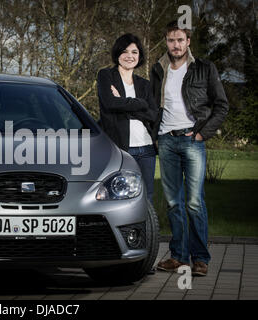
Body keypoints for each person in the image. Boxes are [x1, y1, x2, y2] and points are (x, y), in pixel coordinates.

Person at [151, 21, 229, 276]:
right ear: (166, 42)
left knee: (194, 202)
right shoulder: (158, 69)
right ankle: (178, 256)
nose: (176, 45)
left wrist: (200, 134)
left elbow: (221, 106)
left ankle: (200, 259)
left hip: (191, 140)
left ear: (188, 42)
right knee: (174, 203)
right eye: (171, 40)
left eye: (180, 40)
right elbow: (152, 106)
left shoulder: (204, 68)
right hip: (166, 140)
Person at [97, 33, 158, 204]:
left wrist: (124, 104)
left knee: (147, 197)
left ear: (140, 56)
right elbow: (109, 104)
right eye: (125, 51)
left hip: (147, 150)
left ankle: (146, 232)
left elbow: (153, 114)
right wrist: (140, 104)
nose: (130, 56)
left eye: (134, 52)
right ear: (117, 54)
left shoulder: (144, 84)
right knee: (119, 197)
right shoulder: (106, 76)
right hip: (121, 148)